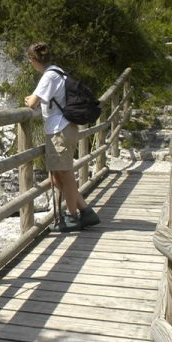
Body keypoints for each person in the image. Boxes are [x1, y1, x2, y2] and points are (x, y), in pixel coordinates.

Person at [23, 41, 100, 232]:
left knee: (64, 174)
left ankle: (72, 217)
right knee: (58, 176)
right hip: (63, 129)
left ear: (33, 60)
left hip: (60, 130)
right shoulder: (58, 71)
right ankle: (85, 211)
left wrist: (28, 99)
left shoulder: (49, 76)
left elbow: (32, 102)